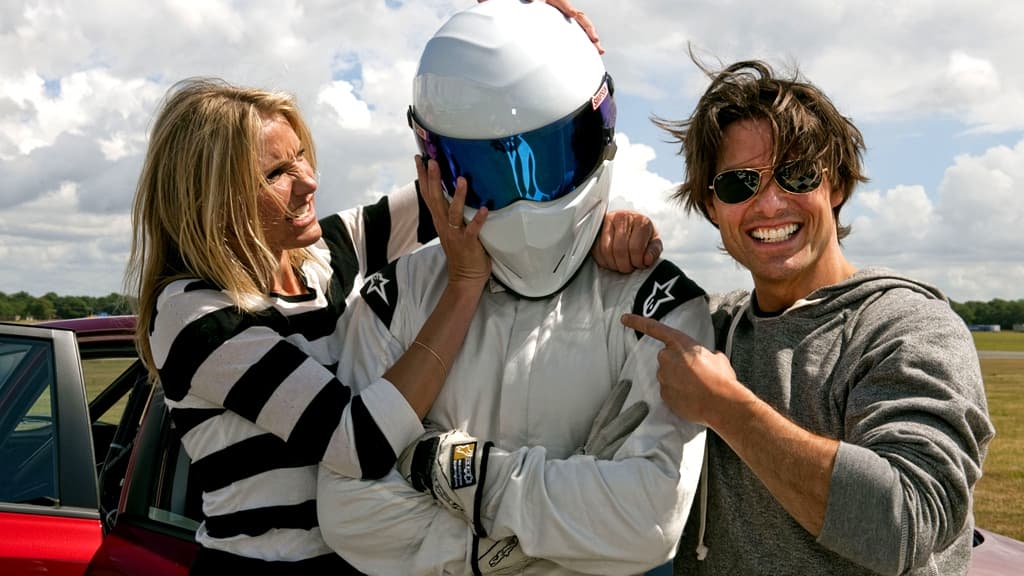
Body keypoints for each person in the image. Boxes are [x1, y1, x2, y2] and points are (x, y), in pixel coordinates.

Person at [124, 74, 660, 574]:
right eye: (275, 173)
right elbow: (359, 441)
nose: (309, 181)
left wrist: (594, 220)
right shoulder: (193, 313)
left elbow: (473, 195)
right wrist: (464, 285)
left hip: (363, 557)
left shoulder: (319, 259)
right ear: (211, 195)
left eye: (301, 156)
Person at [316, 1, 713, 574]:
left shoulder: (661, 303)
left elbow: (650, 520)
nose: (524, 205)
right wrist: (556, 536)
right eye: (484, 173)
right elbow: (347, 510)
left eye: (546, 160)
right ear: (431, 167)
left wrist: (443, 467)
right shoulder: (392, 296)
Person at [622, 59, 996, 575]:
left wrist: (726, 408)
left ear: (836, 185)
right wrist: (605, 235)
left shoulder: (907, 328)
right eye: (738, 184)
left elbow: (908, 524)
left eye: (796, 174)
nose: (769, 204)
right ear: (711, 207)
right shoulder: (707, 327)